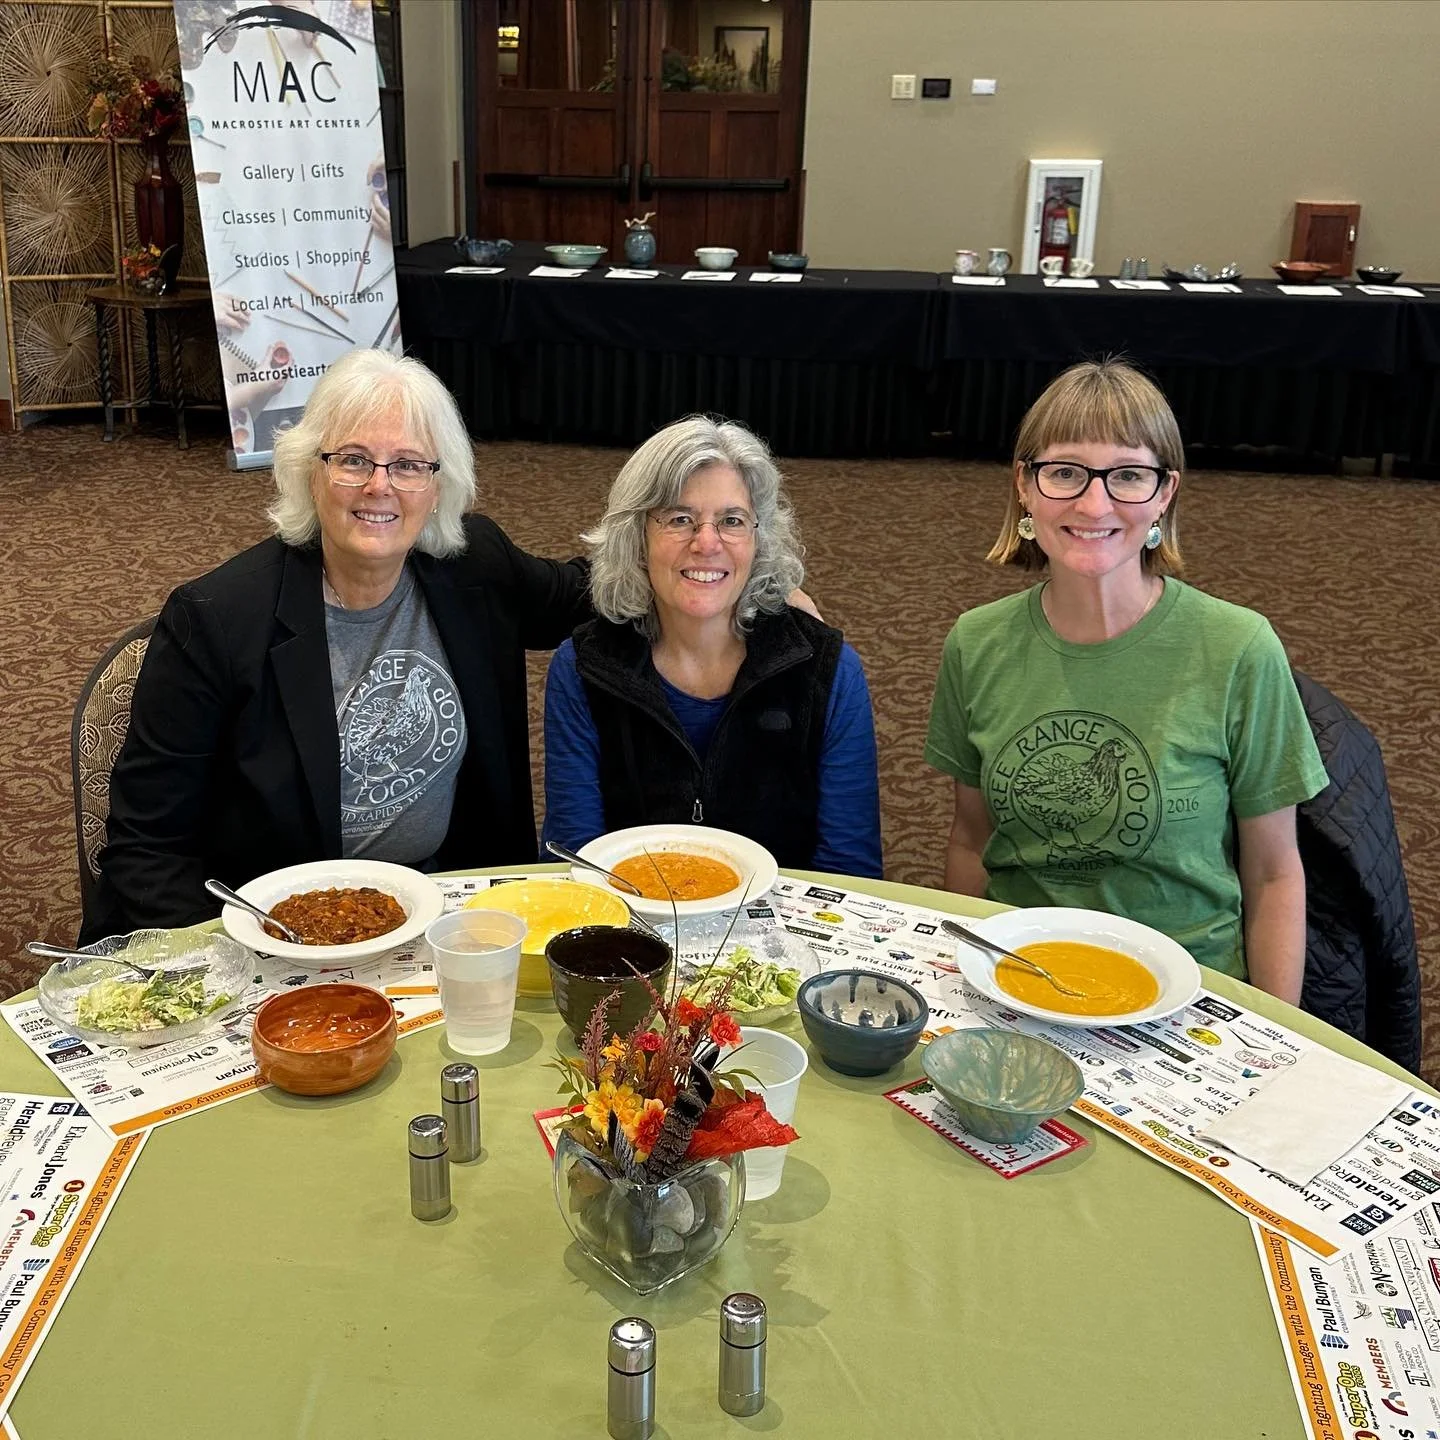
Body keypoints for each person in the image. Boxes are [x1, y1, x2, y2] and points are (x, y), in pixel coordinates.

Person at [83, 349, 591, 941]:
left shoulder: (476, 568)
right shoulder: (216, 620)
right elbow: (149, 846)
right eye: (353, 459)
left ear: (437, 485)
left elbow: (594, 592)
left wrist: (702, 548)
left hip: (449, 917)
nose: (380, 486)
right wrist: (226, 974)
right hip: (279, 937)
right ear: (310, 471)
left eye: (407, 465)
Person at [924, 360, 1327, 1003]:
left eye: (1129, 476)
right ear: (1024, 488)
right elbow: (971, 839)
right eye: (1064, 473)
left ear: (1165, 493)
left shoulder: (1238, 647)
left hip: (1190, 992)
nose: (1094, 503)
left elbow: (1275, 873)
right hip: (1020, 977)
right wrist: (960, 984)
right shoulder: (977, 642)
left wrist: (1278, 1034)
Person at [542, 416, 882, 878]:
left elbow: (849, 871)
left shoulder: (830, 670)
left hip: (784, 934)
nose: (707, 543)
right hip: (631, 930)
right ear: (638, 538)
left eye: (731, 521)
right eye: (680, 519)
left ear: (758, 540)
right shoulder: (583, 667)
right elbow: (575, 862)